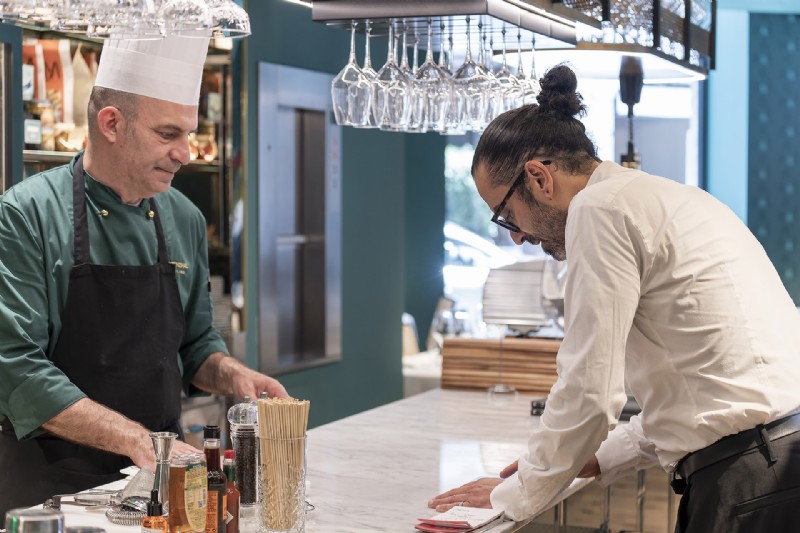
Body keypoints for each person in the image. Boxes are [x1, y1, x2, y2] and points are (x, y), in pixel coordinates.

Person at [428, 65, 800, 532]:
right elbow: (702, 390)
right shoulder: (668, 197)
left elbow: (589, 390)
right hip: (778, 464)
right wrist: (598, 457)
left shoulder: (597, 209)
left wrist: (516, 493)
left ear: (539, 177)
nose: (518, 237)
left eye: (506, 216)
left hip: (750, 480)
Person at [0, 34, 288, 513]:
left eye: (189, 135)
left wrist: (234, 374)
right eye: (168, 134)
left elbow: (196, 346)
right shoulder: (25, 215)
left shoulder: (185, 218)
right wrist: (140, 442)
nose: (187, 153)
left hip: (160, 487)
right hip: (48, 491)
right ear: (111, 123)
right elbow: (16, 368)